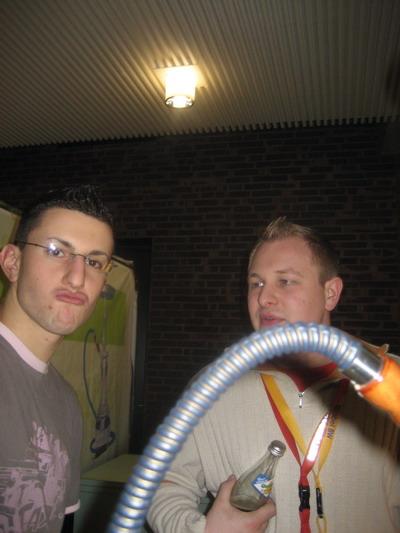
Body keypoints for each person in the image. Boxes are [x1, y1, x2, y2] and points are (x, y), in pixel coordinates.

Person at [147, 216, 400, 533]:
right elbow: (164, 485)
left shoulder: (390, 382)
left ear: (331, 293)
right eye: (256, 283)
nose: (263, 298)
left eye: (286, 281)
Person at [0, 184, 114, 533]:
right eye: (56, 251)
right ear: (12, 262)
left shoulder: (66, 402)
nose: (78, 278)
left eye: (94, 262)